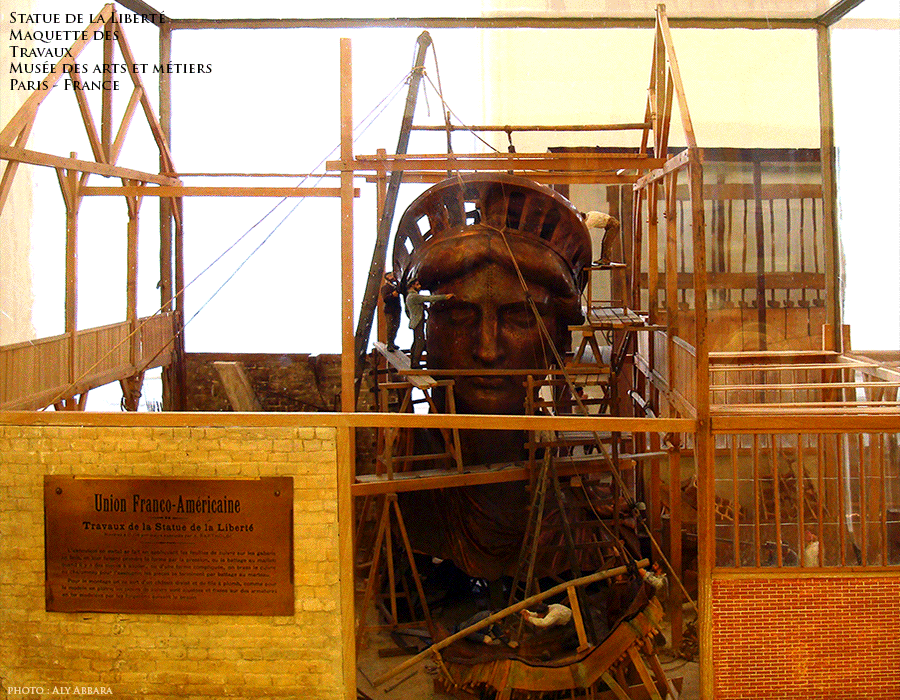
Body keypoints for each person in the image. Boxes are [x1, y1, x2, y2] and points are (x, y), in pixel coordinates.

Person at [404, 278, 452, 368]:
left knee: (417, 341)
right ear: (412, 286)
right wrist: (444, 297)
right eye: (417, 284)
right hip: (418, 321)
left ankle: (413, 360)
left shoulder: (410, 296)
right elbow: (429, 298)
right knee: (420, 342)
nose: (419, 286)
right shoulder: (414, 296)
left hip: (416, 321)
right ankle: (415, 362)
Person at [380, 271, 402, 351]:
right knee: (390, 327)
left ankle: (392, 342)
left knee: (396, 326)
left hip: (396, 309)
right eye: (391, 276)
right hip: (389, 310)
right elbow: (385, 299)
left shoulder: (395, 286)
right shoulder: (385, 287)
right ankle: (389, 344)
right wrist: (392, 295)